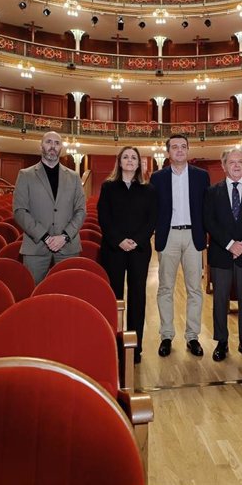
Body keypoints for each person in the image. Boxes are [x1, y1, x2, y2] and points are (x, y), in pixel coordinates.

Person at [150, 134, 210, 358]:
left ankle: (192, 337)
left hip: (194, 236)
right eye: (174, 147)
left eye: (183, 146)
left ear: (188, 150)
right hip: (169, 236)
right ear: (168, 153)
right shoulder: (157, 178)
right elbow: (153, 208)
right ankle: (166, 335)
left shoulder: (201, 176)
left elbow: (206, 207)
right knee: (165, 288)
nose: (179, 150)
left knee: (194, 289)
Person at [204, 148, 242, 362]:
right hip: (222, 253)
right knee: (220, 299)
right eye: (232, 162)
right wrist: (230, 244)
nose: (237, 165)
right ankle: (221, 341)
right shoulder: (212, 192)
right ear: (224, 166)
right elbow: (209, 221)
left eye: (240, 162)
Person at [97, 146, 157, 364]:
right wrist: (119, 240)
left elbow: (152, 220)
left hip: (139, 250)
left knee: (137, 296)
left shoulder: (149, 189)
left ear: (139, 163)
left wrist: (137, 240)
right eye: (126, 157)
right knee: (114, 297)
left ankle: (135, 347)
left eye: (134, 157)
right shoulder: (108, 187)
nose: (130, 160)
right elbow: (104, 217)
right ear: (119, 162)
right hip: (113, 249)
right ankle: (112, 343)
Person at [13, 131, 86, 284]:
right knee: (35, 295)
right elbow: (20, 211)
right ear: (41, 146)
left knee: (68, 293)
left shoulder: (74, 177)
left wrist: (65, 236)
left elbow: (80, 211)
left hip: (68, 248)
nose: (53, 146)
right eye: (48, 142)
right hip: (36, 248)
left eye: (57, 143)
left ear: (61, 148)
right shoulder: (25, 175)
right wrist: (45, 237)